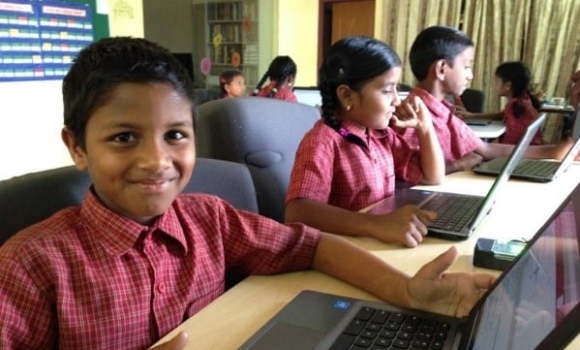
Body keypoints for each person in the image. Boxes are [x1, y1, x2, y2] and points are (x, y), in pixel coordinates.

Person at [0, 37, 495, 350]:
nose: (157, 161)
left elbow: (312, 244)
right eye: (123, 137)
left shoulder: (209, 219)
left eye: (175, 135)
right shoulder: (31, 266)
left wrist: (404, 290)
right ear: (77, 147)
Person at [285, 36, 445, 248]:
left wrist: (425, 127)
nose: (397, 100)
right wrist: (374, 224)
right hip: (345, 253)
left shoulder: (380, 136)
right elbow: (298, 211)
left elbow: (432, 176)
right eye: (387, 90)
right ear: (347, 96)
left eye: (397, 89)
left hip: (376, 244)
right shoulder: (323, 141)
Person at [397, 25, 572, 174]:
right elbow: (408, 175)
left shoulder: (444, 110)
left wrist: (552, 151)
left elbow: (486, 149)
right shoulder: (410, 114)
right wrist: (456, 166)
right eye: (466, 66)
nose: (470, 75)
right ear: (442, 68)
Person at [459, 61, 543, 145]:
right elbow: (500, 115)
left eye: (496, 81)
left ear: (508, 86)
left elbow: (510, 141)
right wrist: (471, 115)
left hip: (518, 153)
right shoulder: (524, 100)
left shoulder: (515, 106)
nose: (493, 85)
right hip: (528, 149)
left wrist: (491, 147)